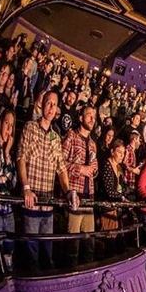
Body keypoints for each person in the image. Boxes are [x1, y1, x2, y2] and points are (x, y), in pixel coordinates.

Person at [17, 90, 78, 270]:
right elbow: (21, 157)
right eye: (49, 103)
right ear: (42, 104)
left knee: (47, 253)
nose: (51, 108)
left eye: (54, 104)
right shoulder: (30, 127)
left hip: (48, 204)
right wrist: (26, 188)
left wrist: (68, 191)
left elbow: (61, 168)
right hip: (32, 201)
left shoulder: (55, 137)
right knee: (31, 254)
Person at [61, 105, 98, 267]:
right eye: (89, 115)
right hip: (74, 196)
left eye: (94, 117)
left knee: (89, 245)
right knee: (72, 246)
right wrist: (80, 169)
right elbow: (60, 162)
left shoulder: (93, 144)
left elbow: (94, 170)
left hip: (88, 198)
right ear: (81, 118)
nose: (92, 119)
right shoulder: (71, 136)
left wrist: (93, 171)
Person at [0, 109, 17, 271]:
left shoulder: (8, 153)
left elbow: (12, 182)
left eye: (12, 125)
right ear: (0, 123)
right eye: (7, 123)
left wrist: (7, 153)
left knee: (9, 247)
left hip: (8, 208)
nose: (9, 128)